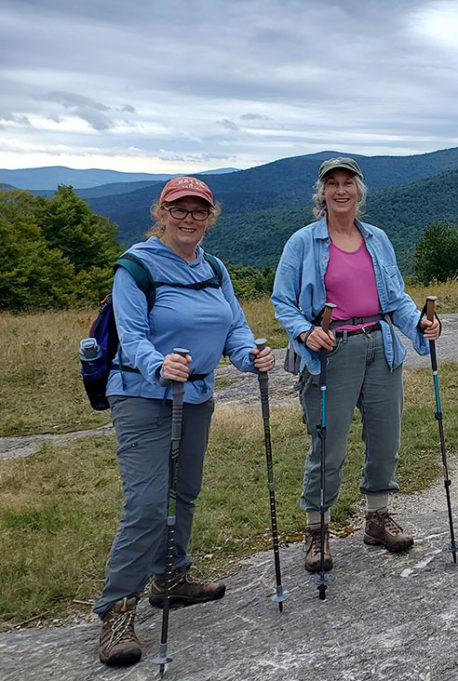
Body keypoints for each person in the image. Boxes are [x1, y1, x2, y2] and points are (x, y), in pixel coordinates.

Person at [94, 176, 275, 667]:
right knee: (149, 503)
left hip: (195, 394)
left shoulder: (214, 268)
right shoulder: (135, 266)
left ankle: (170, 577)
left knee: (185, 489)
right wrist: (158, 363)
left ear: (210, 216)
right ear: (162, 212)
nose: (189, 218)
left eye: (199, 211)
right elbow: (130, 336)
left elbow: (234, 325)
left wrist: (250, 354)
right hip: (141, 393)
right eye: (180, 209)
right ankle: (117, 608)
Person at [272, 157, 441, 576]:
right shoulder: (303, 243)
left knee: (386, 435)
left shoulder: (377, 238)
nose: (341, 190)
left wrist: (419, 324)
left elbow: (396, 297)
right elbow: (282, 302)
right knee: (328, 443)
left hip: (380, 345)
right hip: (332, 350)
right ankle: (317, 530)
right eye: (333, 184)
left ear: (359, 191)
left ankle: (377, 519)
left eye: (348, 183)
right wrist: (305, 332)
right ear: (322, 193)